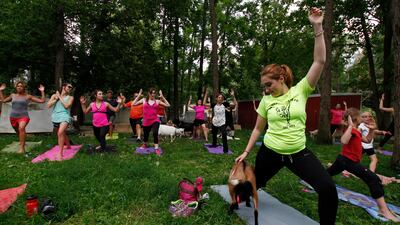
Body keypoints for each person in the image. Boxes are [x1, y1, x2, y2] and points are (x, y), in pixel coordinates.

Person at [236, 8, 338, 225]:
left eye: (269, 84)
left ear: (281, 78)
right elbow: (257, 129)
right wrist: (245, 151)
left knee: (327, 188)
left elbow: (319, 62)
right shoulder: (266, 101)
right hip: (270, 151)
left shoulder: (301, 90)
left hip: (298, 153)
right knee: (256, 182)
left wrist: (317, 27)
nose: (266, 89)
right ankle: (240, 195)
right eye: (264, 86)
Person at [327, 108, 399, 222]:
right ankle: (384, 211)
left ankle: (315, 177)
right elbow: (343, 141)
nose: (363, 118)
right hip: (347, 161)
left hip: (344, 161)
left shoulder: (357, 131)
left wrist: (371, 130)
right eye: (361, 116)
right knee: (373, 179)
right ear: (355, 118)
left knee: (327, 173)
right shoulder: (351, 130)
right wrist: (350, 126)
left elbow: (367, 140)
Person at [0, 82, 45, 154]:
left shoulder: (28, 96)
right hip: (13, 117)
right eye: (18, 86)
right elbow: (3, 101)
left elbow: (42, 101)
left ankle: (22, 148)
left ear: (24, 88)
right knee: (18, 131)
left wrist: (42, 91)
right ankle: (23, 140)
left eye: (21, 86)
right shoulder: (13, 95)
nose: (19, 87)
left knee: (21, 128)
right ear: (16, 87)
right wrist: (0, 91)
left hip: (24, 116)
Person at [132, 88, 170, 155]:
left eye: (154, 93)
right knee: (146, 135)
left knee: (155, 133)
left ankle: (156, 148)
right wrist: (139, 95)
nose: (153, 94)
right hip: (146, 121)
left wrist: (162, 96)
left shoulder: (157, 101)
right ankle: (145, 144)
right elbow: (133, 103)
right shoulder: (144, 100)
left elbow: (168, 105)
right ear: (149, 93)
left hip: (155, 120)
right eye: (152, 93)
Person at [47, 83, 74, 159]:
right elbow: (48, 106)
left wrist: (59, 97)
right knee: (62, 132)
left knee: (60, 132)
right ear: (63, 87)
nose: (70, 88)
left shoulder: (71, 97)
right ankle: (68, 145)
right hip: (56, 116)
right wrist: (56, 99)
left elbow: (66, 106)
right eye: (69, 86)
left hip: (65, 116)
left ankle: (60, 153)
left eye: (71, 88)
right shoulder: (54, 96)